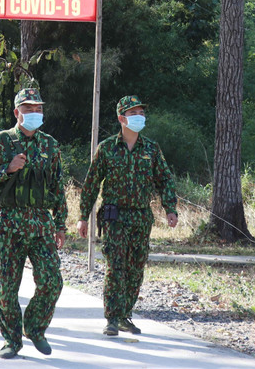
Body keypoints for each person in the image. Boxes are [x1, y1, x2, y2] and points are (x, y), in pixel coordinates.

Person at [0, 87, 67, 359]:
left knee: (52, 281)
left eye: (38, 108)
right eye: (28, 108)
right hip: (8, 225)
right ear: (17, 112)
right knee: (6, 288)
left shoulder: (50, 145)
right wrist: (7, 168)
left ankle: (35, 328)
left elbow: (57, 186)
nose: (35, 113)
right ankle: (12, 340)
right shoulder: (0, 141)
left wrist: (61, 224)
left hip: (41, 225)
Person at [77, 95, 178, 336]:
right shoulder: (107, 148)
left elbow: (165, 179)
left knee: (136, 268)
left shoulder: (151, 149)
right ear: (122, 118)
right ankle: (112, 318)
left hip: (141, 217)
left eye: (141, 113)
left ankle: (125, 315)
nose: (139, 117)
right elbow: (92, 183)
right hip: (115, 217)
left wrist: (170, 208)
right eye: (134, 113)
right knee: (116, 266)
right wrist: (83, 216)